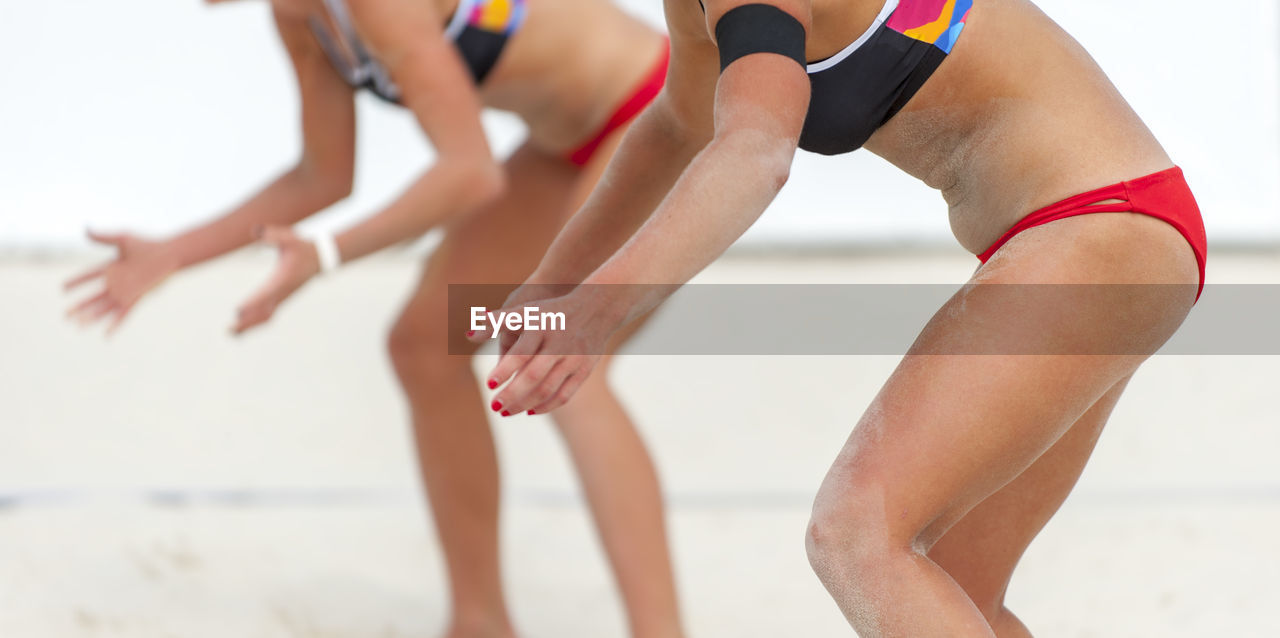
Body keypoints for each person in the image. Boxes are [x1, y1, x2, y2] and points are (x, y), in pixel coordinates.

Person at [470, 0, 1207, 635]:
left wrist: (598, 308)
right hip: (1117, 230)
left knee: (855, 533)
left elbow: (754, 152)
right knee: (958, 597)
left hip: (1101, 227)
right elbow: (677, 128)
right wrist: (550, 287)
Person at [63, 1, 685, 637]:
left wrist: (327, 254)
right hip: (565, 146)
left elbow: (468, 173)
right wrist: (172, 252)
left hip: (663, 111)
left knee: (567, 365)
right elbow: (322, 175)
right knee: (423, 347)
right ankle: (479, 623)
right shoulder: (302, 17)